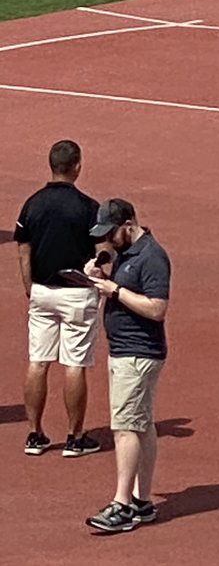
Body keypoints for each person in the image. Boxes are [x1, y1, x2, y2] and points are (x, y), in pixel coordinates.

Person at [84, 199, 171, 533]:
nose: (108, 240)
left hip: (138, 354)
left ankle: (121, 504)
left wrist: (114, 290)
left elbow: (156, 308)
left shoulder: (152, 257)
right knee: (143, 423)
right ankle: (141, 500)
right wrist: (100, 280)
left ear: (129, 224)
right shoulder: (126, 254)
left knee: (124, 427)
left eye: (111, 232)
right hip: (126, 351)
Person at [16, 140, 101, 458]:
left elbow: (23, 250)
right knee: (75, 364)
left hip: (41, 292)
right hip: (77, 293)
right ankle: (75, 437)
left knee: (38, 362)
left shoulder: (32, 204)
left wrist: (30, 287)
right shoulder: (88, 207)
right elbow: (102, 248)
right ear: (76, 166)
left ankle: (34, 435)